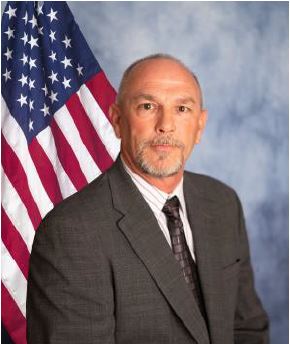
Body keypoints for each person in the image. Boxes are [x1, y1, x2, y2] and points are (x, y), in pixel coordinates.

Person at [27, 54, 269, 344]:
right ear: (117, 120)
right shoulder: (71, 232)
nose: (165, 125)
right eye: (147, 106)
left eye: (182, 108)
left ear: (200, 126)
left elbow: (248, 331)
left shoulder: (223, 203)